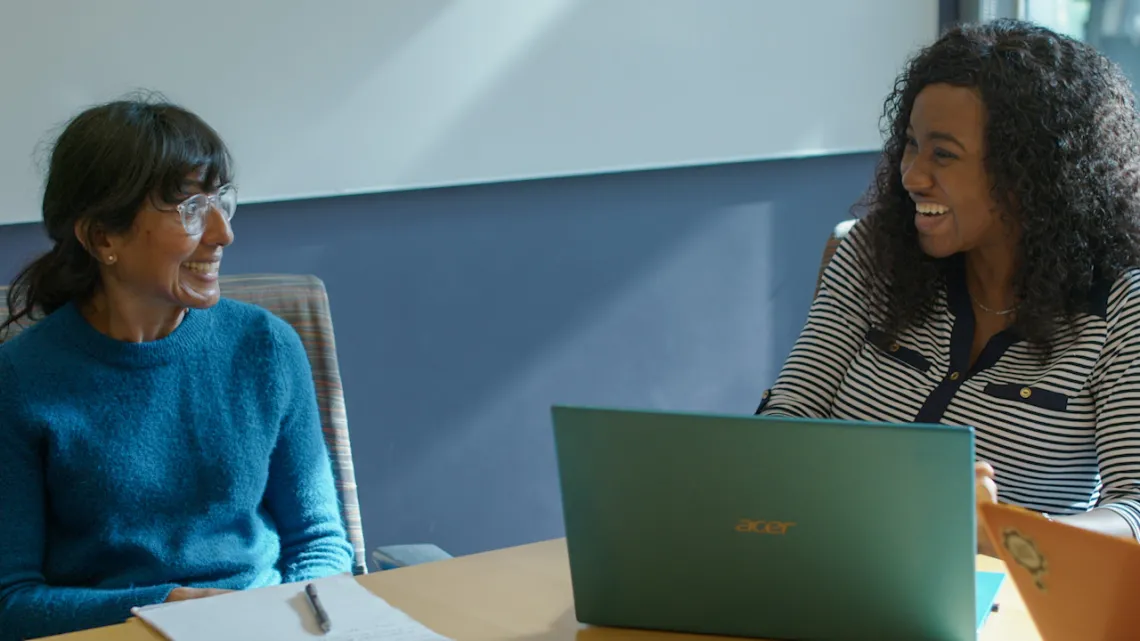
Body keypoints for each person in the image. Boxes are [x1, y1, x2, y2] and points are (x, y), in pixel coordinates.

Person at [758, 19, 1140, 556]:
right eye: (910, 145)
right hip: (826, 564)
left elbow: (1134, 510)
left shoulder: (1122, 309)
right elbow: (790, 415)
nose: (911, 175)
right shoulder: (874, 253)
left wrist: (1001, 531)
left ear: (1030, 172)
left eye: (943, 154)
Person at [0, 97, 354, 640]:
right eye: (190, 209)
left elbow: (320, 542)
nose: (222, 233)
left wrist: (302, 624)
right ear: (102, 238)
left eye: (221, 202)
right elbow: (11, 601)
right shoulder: (19, 379)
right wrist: (162, 607)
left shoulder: (267, 347)